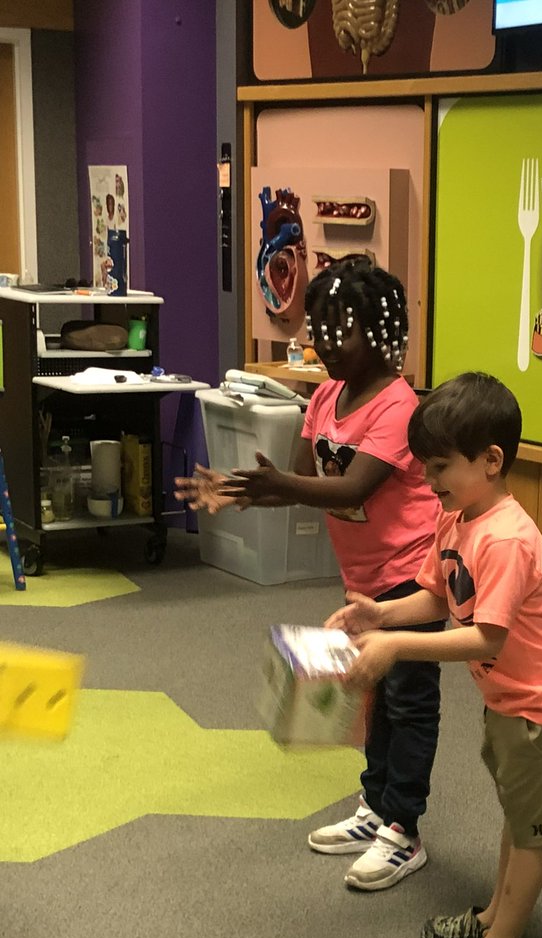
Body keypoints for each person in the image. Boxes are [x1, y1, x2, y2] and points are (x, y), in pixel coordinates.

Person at [175, 257, 441, 891]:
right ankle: (375, 805)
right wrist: (242, 489)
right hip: (363, 574)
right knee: (372, 693)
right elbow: (301, 482)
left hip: (411, 574)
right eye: (316, 330)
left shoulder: (399, 408)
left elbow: (350, 484)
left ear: (380, 332)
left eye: (337, 331)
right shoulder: (324, 397)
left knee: (409, 699)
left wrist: (279, 484)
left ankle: (403, 827)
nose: (322, 345)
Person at [327, 373, 542, 938]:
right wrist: (380, 615)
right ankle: (493, 917)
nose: (429, 480)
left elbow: (485, 638)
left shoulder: (505, 537)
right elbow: (433, 595)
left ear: (491, 461)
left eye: (440, 467)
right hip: (508, 703)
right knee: (514, 817)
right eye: (425, 467)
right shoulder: (457, 520)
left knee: (529, 835)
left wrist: (394, 648)